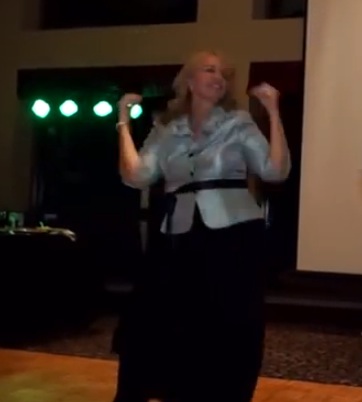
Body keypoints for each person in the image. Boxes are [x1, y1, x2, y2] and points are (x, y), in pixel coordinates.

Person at [112, 50, 290, 402]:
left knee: (229, 325)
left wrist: (272, 111)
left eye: (224, 73)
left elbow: (274, 171)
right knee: (162, 322)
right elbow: (137, 176)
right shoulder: (167, 129)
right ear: (190, 82)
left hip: (234, 236)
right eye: (210, 70)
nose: (219, 77)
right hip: (179, 236)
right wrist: (123, 122)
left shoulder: (238, 122)